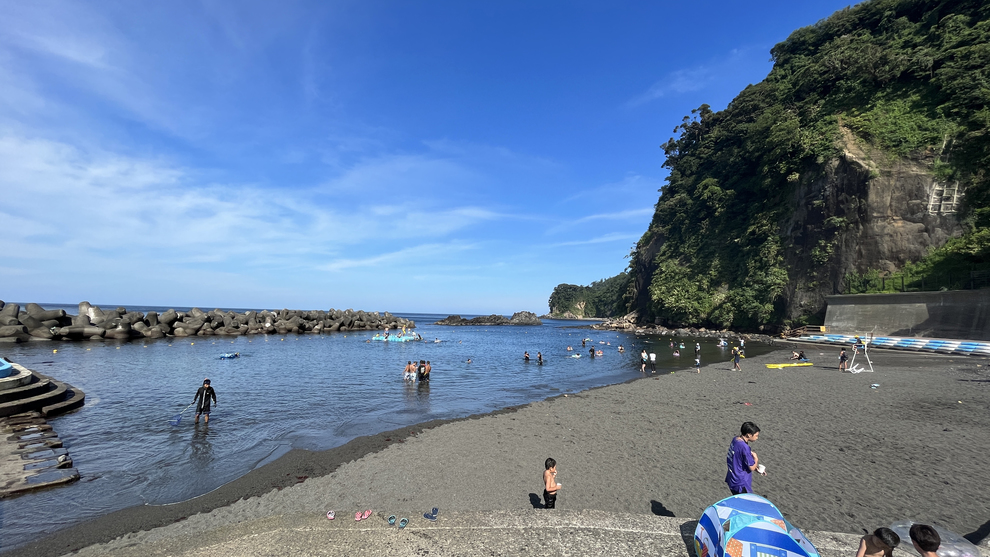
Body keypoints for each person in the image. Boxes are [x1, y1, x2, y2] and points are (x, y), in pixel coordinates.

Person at [725, 421, 765, 494]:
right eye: (756, 435)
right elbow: (751, 467)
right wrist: (756, 459)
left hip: (732, 478)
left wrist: (756, 468)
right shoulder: (744, 447)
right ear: (749, 435)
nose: (757, 438)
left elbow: (739, 459)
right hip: (740, 483)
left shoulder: (735, 439)